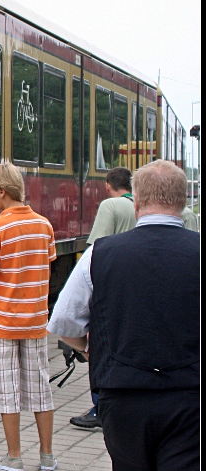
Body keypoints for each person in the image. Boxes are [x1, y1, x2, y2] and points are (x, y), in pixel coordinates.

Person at [48, 160, 199, 471]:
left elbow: (63, 322)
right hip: (190, 396)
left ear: (138, 202)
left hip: (123, 395)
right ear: (183, 201)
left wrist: (94, 352)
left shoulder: (100, 253)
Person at [0, 163, 58, 471]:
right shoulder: (44, 225)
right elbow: (44, 266)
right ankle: (47, 456)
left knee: (6, 389)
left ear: (2, 192)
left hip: (3, 322)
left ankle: (14, 457)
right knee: (39, 387)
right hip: (36, 320)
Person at [71, 166, 136, 430]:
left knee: (102, 346)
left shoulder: (111, 205)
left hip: (110, 284)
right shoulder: (141, 206)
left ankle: (100, 408)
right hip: (136, 286)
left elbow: (95, 248)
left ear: (108, 186)